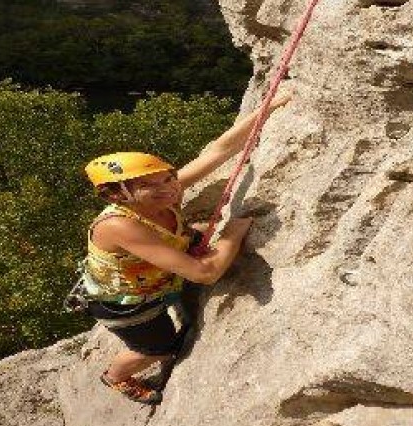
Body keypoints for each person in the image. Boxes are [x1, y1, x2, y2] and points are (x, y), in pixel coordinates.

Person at [81, 92, 291, 405]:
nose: (166, 188)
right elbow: (205, 273)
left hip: (153, 273)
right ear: (117, 196)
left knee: (197, 230)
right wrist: (232, 233)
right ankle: (115, 377)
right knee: (161, 348)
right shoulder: (118, 226)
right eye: (148, 185)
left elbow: (220, 150)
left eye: (166, 178)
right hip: (126, 304)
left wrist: (271, 105)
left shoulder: (166, 192)